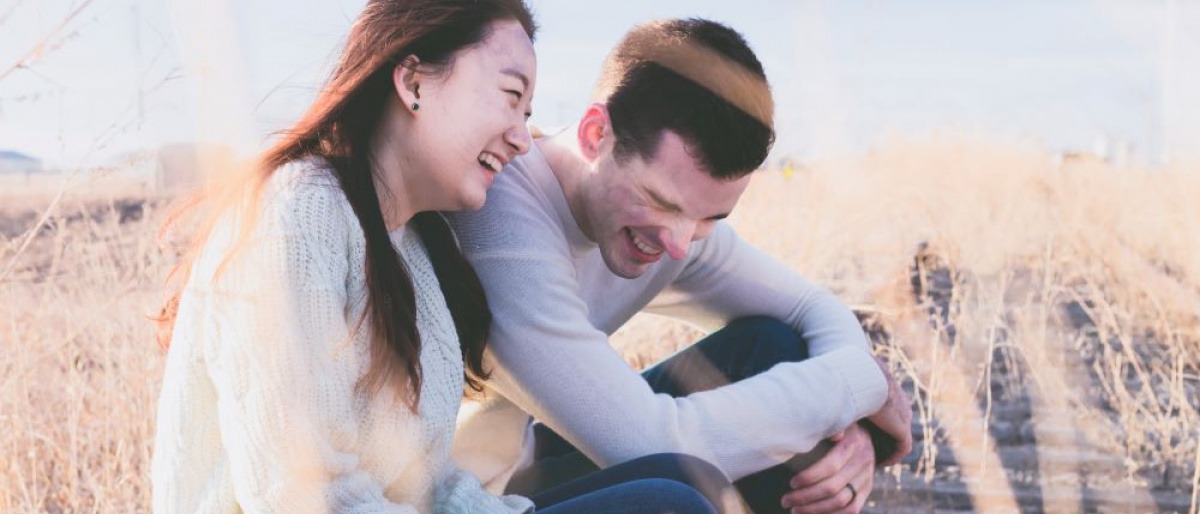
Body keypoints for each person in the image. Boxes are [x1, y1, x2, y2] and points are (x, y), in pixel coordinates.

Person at [150, 2, 736, 513]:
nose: (522, 136)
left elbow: (426, 484)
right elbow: (298, 497)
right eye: (510, 98)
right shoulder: (297, 214)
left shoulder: (411, 247)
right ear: (414, 82)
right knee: (672, 504)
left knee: (686, 481)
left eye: (529, 114)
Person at [447, 18, 914, 514]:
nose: (678, 243)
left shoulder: (675, 229)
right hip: (456, 497)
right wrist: (860, 386)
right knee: (673, 499)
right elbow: (649, 443)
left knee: (776, 345)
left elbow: (810, 306)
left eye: (710, 217)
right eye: (661, 202)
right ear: (595, 134)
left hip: (523, 466)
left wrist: (848, 430)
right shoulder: (501, 217)